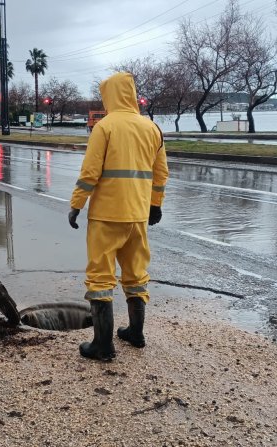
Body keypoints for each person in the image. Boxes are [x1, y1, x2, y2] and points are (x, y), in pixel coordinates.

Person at [68, 72, 169, 361]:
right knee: (136, 274)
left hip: (106, 216)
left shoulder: (105, 127)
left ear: (110, 96)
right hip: (137, 215)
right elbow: (161, 173)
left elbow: (90, 173)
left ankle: (103, 345)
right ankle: (136, 333)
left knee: (100, 277)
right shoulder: (152, 128)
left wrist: (77, 204)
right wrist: (155, 205)